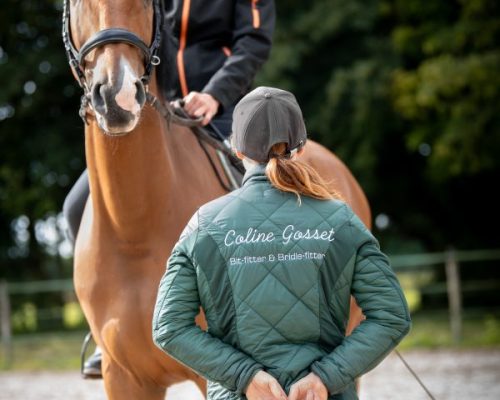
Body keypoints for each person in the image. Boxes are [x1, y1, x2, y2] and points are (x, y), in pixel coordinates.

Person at [152, 86, 412, 399]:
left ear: (237, 151)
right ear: (301, 148)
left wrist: (244, 377)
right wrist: (324, 379)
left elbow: (169, 327)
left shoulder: (202, 225)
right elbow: (393, 315)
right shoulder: (341, 219)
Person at [68, 0, 275, 377]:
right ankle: (103, 330)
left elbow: (254, 40)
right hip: (153, 106)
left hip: (221, 109)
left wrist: (215, 93)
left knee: (262, 195)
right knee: (75, 203)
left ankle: (273, 318)